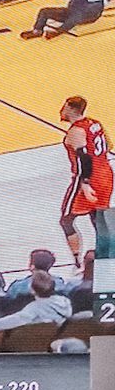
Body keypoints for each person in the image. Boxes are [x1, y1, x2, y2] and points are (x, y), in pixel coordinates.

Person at [59, 94, 113, 276]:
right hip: (106, 173)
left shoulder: (76, 131)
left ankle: (77, 263)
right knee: (98, 218)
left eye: (64, 107)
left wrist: (86, 183)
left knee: (66, 219)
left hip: (88, 177)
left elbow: (84, 161)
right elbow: (108, 145)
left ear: (70, 109)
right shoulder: (95, 123)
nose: (61, 110)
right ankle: (108, 258)